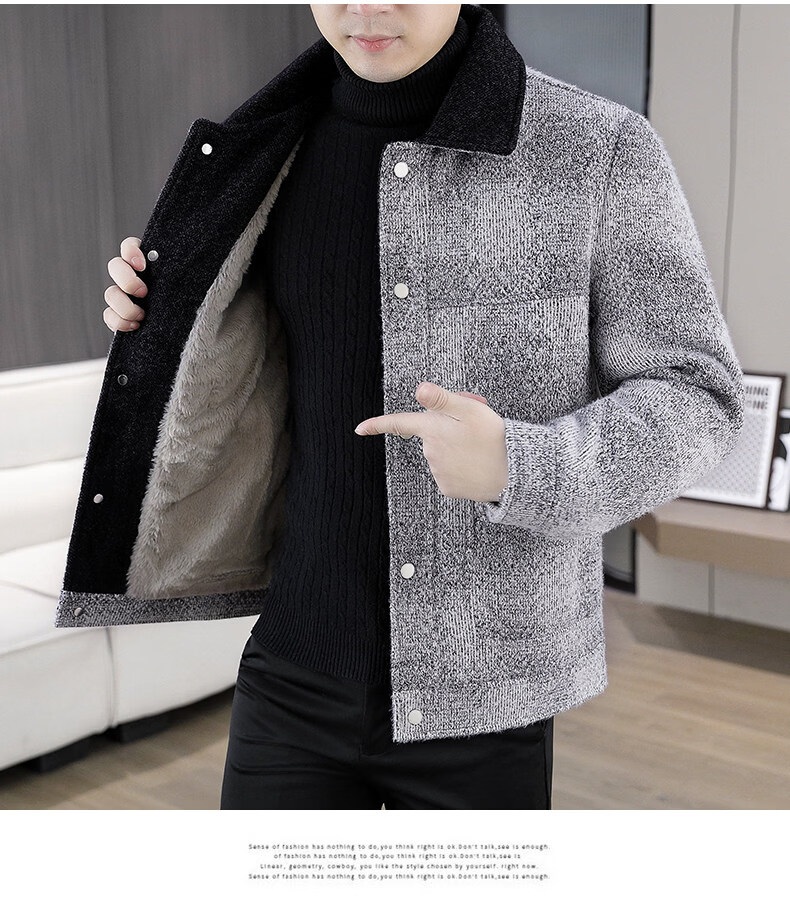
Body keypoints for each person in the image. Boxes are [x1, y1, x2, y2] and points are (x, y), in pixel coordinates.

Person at [88, 3, 744, 810]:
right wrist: (157, 318)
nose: (367, 7)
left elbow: (700, 395)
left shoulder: (596, 147)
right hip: (292, 670)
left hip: (486, 691)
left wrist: (520, 465)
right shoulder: (257, 150)